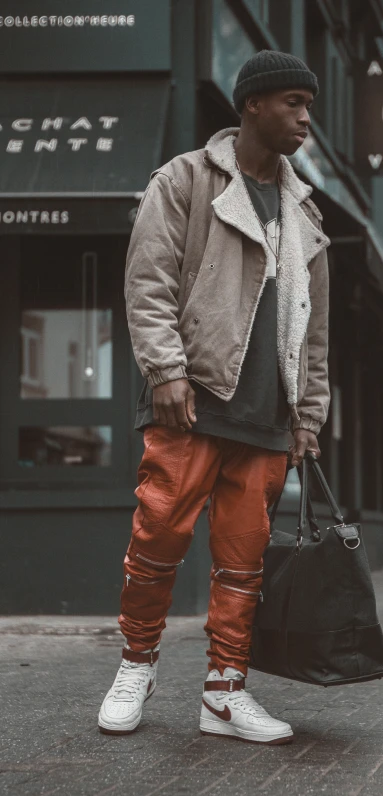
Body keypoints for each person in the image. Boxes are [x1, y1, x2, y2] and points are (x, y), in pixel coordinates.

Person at [98, 50, 330, 744]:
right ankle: (135, 665)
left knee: (242, 561)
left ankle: (224, 691)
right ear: (252, 105)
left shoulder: (304, 210)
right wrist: (165, 370)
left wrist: (309, 416)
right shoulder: (185, 180)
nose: (304, 118)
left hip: (268, 413)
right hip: (192, 401)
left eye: (309, 104)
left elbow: (314, 332)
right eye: (292, 102)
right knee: (158, 540)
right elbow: (148, 281)